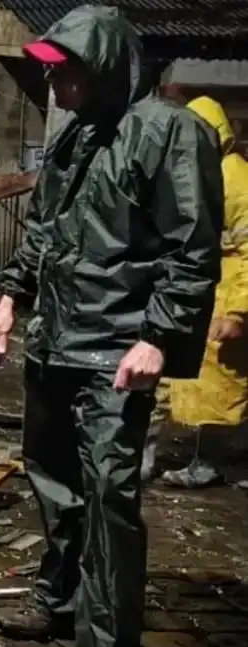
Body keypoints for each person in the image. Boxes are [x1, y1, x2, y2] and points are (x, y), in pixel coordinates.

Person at [0, 5, 224, 647]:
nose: (54, 85)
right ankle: (59, 599)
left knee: (108, 495)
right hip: (55, 342)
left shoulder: (169, 133)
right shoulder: (75, 135)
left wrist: (158, 336)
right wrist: (10, 298)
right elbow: (43, 227)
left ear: (106, 68)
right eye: (51, 74)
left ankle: (109, 641)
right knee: (53, 480)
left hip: (116, 351)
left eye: (66, 73)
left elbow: (192, 246)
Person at [155, 95, 248, 488]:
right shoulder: (201, 172)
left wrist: (238, 312)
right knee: (184, 383)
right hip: (201, 296)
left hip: (224, 301)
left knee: (224, 391)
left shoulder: (235, 180)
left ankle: (217, 462)